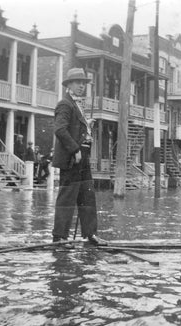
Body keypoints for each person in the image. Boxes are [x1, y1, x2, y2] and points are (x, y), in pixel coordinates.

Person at [52, 67, 107, 247]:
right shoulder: (65, 104)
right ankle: (60, 237)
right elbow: (60, 129)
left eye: (84, 83)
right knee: (67, 198)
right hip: (72, 159)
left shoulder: (76, 104)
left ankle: (90, 234)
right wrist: (75, 149)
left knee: (87, 196)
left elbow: (73, 127)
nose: (82, 86)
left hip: (82, 158)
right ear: (69, 85)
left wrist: (86, 125)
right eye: (78, 83)